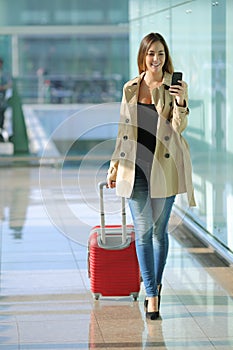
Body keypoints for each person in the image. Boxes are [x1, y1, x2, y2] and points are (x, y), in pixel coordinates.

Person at [106, 32, 196, 320]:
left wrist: (181, 103)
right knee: (143, 232)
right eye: (150, 54)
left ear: (165, 56)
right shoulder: (130, 87)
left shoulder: (174, 85)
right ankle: (152, 294)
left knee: (158, 232)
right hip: (135, 168)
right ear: (142, 56)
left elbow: (178, 128)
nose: (156, 59)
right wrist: (114, 166)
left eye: (160, 53)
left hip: (163, 167)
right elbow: (123, 130)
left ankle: (154, 284)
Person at [0, 57, 12, 142]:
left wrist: (2, 87)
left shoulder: (4, 74)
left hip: (2, 101)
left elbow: (10, 84)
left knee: (2, 118)